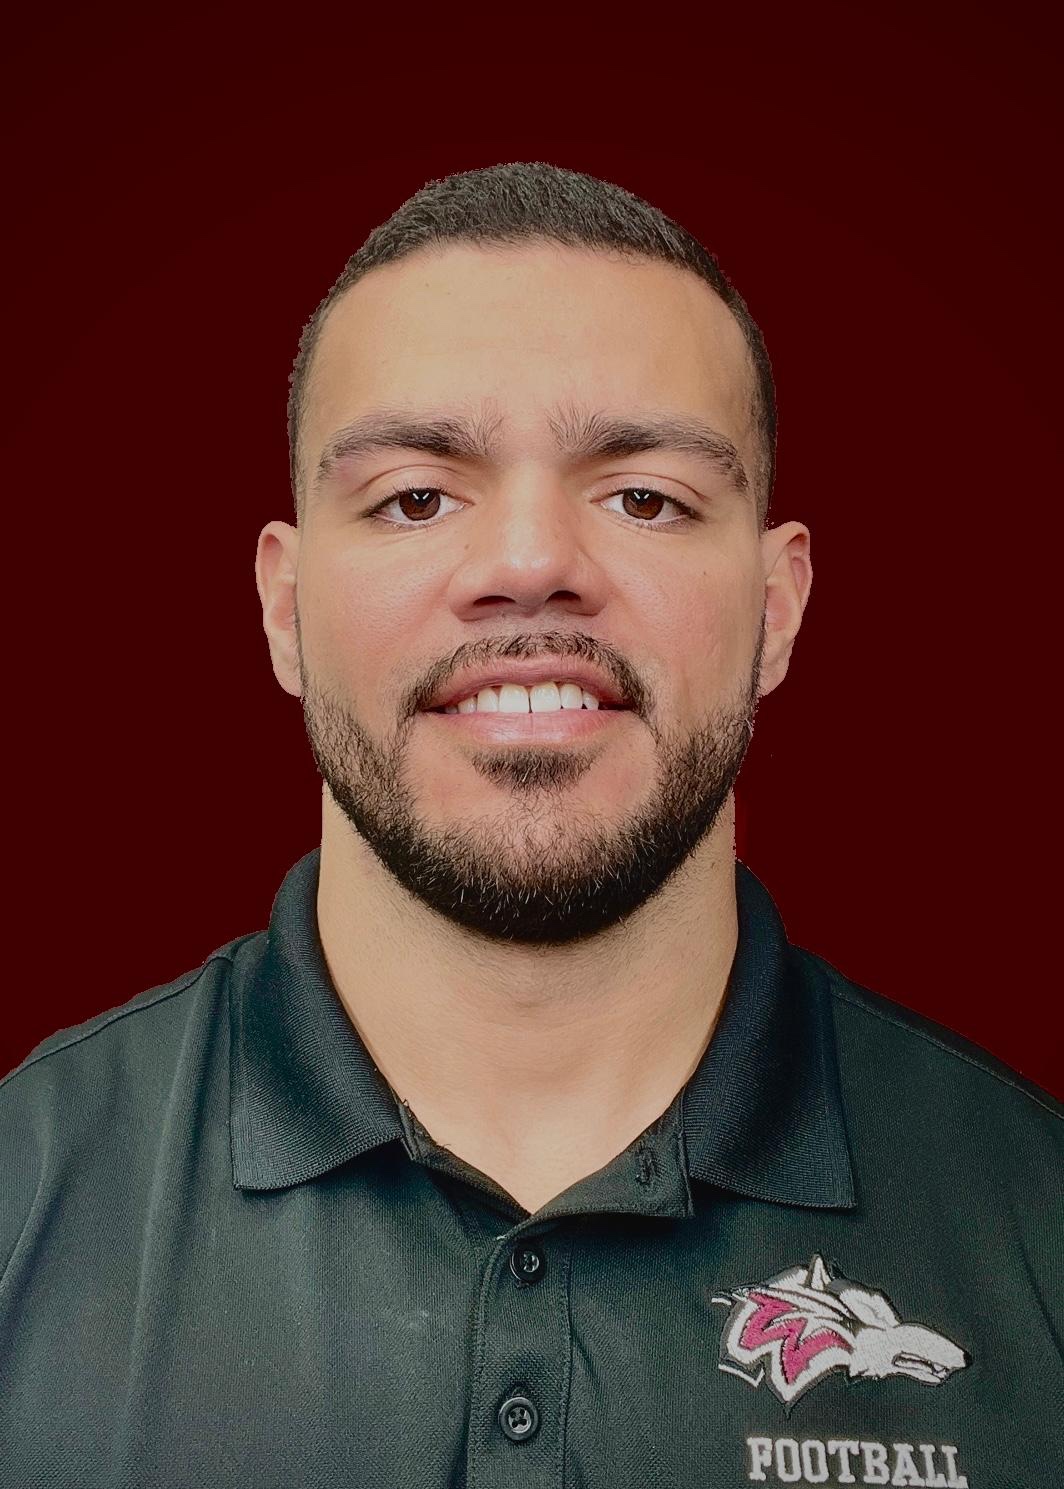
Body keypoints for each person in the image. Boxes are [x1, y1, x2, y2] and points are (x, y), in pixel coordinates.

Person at [1, 162, 1060, 1489]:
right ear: (283, 607)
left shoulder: (1038, 1229)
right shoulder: (22, 1196)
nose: (527, 564)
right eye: (416, 496)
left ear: (779, 606)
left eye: (644, 497)